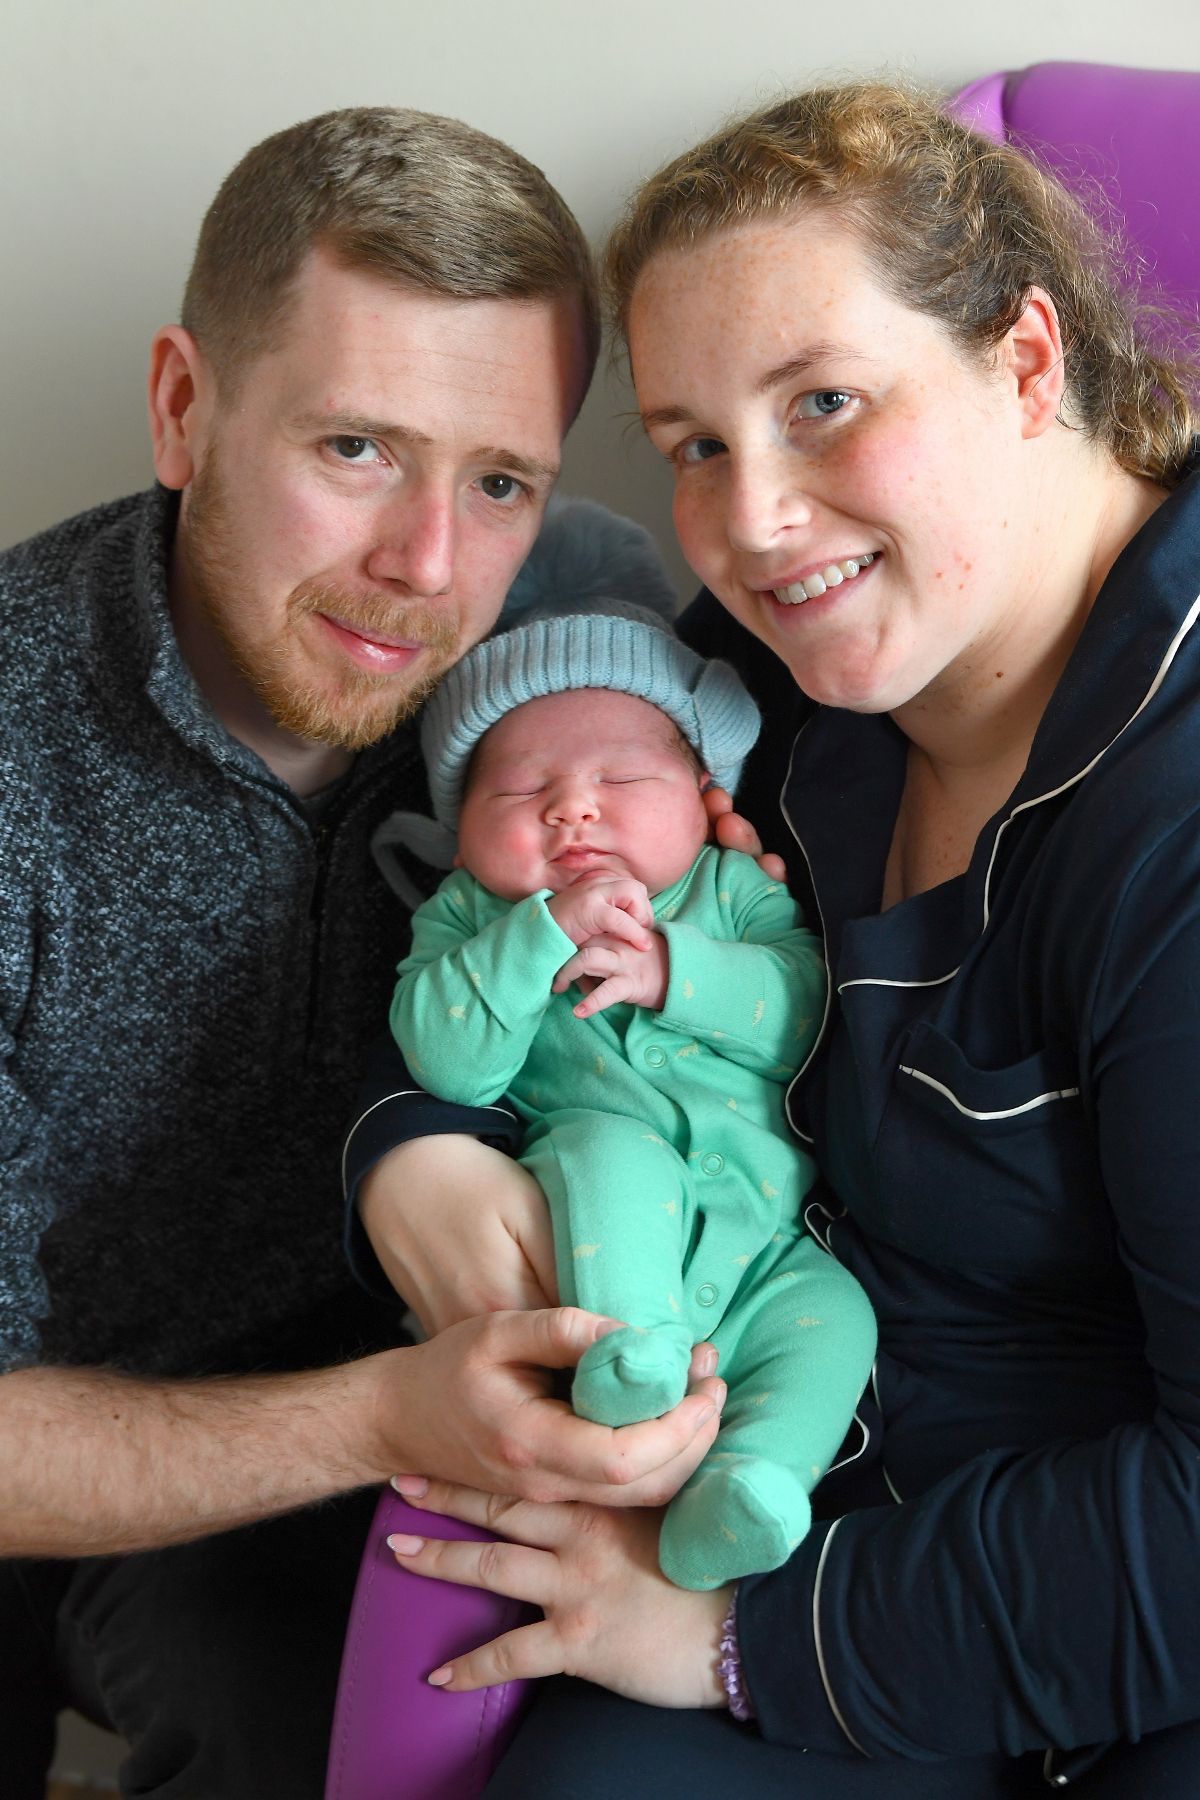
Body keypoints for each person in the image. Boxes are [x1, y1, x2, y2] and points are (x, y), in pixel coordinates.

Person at [350, 80, 1200, 1796]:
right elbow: (514, 897)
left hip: (1110, 1598)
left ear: (1029, 361)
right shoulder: (792, 685)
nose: (748, 524)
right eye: (694, 445)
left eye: (826, 402)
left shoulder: (1166, 818)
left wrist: (745, 1639)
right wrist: (415, 1155)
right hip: (790, 1459)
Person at [0, 107, 725, 1800]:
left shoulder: (582, 642)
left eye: (498, 480)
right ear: (185, 408)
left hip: (323, 1461)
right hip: (106, 1404)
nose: (427, 568)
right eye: (354, 450)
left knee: (305, 1706)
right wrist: (381, 1415)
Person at [378, 541, 877, 1589]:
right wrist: (537, 937)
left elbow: (806, 1018)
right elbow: (448, 1060)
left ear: (704, 796)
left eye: (620, 778)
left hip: (765, 1248)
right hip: (602, 1243)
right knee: (612, 1150)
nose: (573, 810)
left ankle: (748, 1485)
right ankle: (628, 1369)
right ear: (458, 835)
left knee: (839, 1321)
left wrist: (674, 971)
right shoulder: (472, 918)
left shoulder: (729, 892)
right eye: (520, 791)